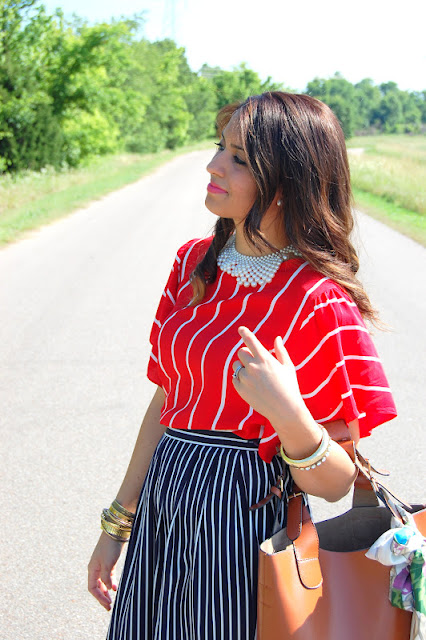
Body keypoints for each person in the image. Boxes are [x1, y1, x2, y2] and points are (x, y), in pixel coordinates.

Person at [88, 91, 397, 640]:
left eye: (239, 159)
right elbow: (167, 400)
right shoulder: (193, 264)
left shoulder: (319, 301)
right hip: (164, 512)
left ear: (286, 185)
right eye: (219, 148)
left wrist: (287, 413)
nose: (213, 166)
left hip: (243, 529)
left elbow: (335, 483)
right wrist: (117, 523)